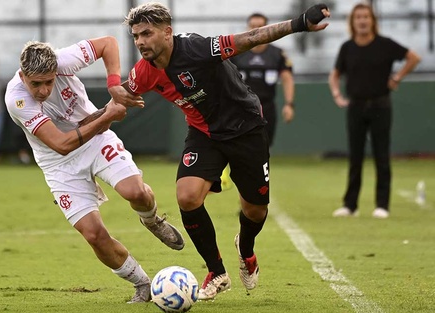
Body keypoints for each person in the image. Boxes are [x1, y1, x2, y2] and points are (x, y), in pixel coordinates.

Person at [121, 2, 330, 300]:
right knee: (187, 196)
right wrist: (80, 122)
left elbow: (251, 38)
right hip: (204, 133)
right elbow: (122, 95)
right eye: (136, 36)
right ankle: (216, 271)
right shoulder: (143, 72)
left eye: (146, 33)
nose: (140, 41)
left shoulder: (195, 48)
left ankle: (246, 250)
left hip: (246, 128)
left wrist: (298, 24)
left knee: (255, 210)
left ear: (167, 32)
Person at [4, 37, 185, 303]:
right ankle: (142, 283)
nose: (43, 91)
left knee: (136, 192)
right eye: (36, 84)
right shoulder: (17, 100)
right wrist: (109, 114)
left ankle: (152, 221)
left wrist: (114, 86)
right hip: (58, 162)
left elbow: (108, 44)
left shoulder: (63, 60)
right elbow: (61, 145)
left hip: (96, 139)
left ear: (56, 71)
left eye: (49, 82)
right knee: (93, 234)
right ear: (22, 75)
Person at [329, 3, 420, 219]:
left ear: (373, 21)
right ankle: (350, 205)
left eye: (366, 17)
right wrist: (337, 95)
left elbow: (414, 58)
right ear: (352, 22)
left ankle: (382, 205)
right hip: (355, 106)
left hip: (380, 105)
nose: (362, 21)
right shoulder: (347, 47)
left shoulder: (385, 45)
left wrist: (397, 77)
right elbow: (335, 74)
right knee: (355, 157)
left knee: (381, 155)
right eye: (358, 17)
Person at [231, 12, 295, 146]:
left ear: (267, 28)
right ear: (247, 28)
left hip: (267, 107)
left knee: (264, 145)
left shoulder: (277, 54)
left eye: (260, 26)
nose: (256, 30)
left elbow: (287, 78)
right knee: (241, 146)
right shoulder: (237, 54)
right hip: (241, 107)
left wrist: (289, 104)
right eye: (253, 26)